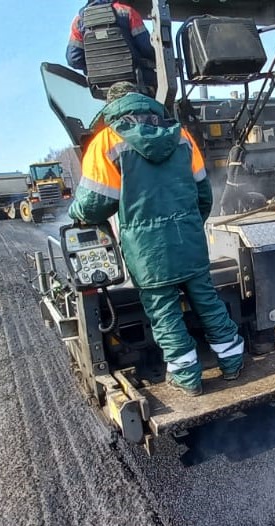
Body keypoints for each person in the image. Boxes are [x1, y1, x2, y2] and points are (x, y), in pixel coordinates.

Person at [69, 82, 244, 396]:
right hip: (188, 240)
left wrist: (76, 210)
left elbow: (94, 205)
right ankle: (233, 363)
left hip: (147, 252)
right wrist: (188, 226)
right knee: (208, 302)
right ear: (146, 102)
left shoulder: (106, 141)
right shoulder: (182, 137)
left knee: (164, 314)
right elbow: (204, 196)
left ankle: (188, 379)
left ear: (112, 105)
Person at [66, 0, 156, 88]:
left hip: (100, 86)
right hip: (137, 80)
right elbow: (147, 48)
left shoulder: (78, 21)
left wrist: (97, 69)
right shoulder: (128, 12)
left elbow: (73, 59)